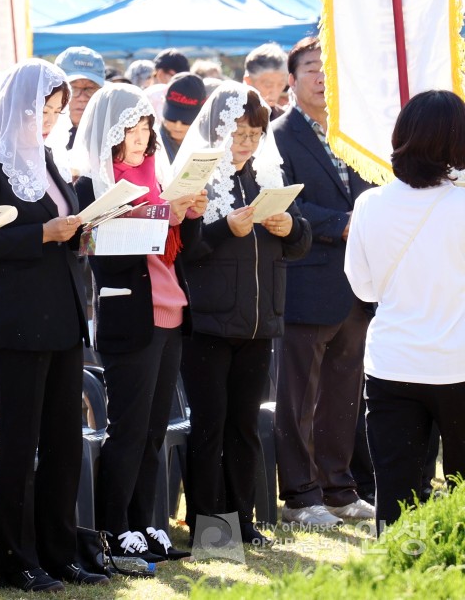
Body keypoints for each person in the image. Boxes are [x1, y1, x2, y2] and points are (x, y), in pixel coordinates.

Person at [0, 59, 108, 591]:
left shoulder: (45, 156)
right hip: (16, 317)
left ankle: (58, 549)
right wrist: (44, 234)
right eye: (43, 108)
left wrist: (82, 230)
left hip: (64, 315)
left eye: (58, 110)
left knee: (65, 440)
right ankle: (16, 557)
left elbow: (63, 228)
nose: (49, 119)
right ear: (17, 103)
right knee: (20, 443)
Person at [173, 81, 311, 546]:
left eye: (255, 135)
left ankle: (243, 520)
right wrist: (224, 228)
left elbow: (299, 243)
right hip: (208, 323)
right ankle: (211, 528)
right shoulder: (198, 180)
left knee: (245, 426)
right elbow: (183, 252)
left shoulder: (265, 176)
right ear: (217, 130)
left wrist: (291, 225)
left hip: (258, 323)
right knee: (210, 426)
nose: (247, 144)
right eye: (239, 134)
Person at [72, 83, 205, 561]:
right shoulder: (94, 183)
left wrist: (188, 215)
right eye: (131, 125)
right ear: (110, 131)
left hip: (171, 309)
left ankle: (145, 522)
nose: (142, 133)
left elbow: (183, 249)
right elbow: (101, 259)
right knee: (127, 427)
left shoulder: (157, 176)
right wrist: (155, 218)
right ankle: (114, 527)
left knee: (154, 427)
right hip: (129, 312)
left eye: (146, 124)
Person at [344, 90, 465, 531]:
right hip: (457, 364)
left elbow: (363, 286)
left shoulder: (369, 204)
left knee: (395, 494)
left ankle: (398, 582)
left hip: (392, 363)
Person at [272, 37, 376, 528]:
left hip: (354, 284)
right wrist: (342, 223)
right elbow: (284, 204)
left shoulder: (353, 136)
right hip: (305, 279)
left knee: (343, 392)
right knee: (298, 395)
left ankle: (339, 487)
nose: (322, 78)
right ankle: (300, 495)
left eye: (330, 69)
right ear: (291, 79)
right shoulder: (279, 135)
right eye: (313, 68)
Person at [54, 46, 106, 150]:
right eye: (73, 88)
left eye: (90, 88)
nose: (82, 98)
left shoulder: (111, 134)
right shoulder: (42, 133)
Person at [158, 72, 206, 163]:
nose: (178, 126)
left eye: (186, 121)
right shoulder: (150, 144)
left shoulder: (209, 145)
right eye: (172, 118)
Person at [243, 43, 289, 120]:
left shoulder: (285, 119)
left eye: (281, 84)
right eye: (268, 85)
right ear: (248, 81)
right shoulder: (232, 117)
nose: (275, 92)